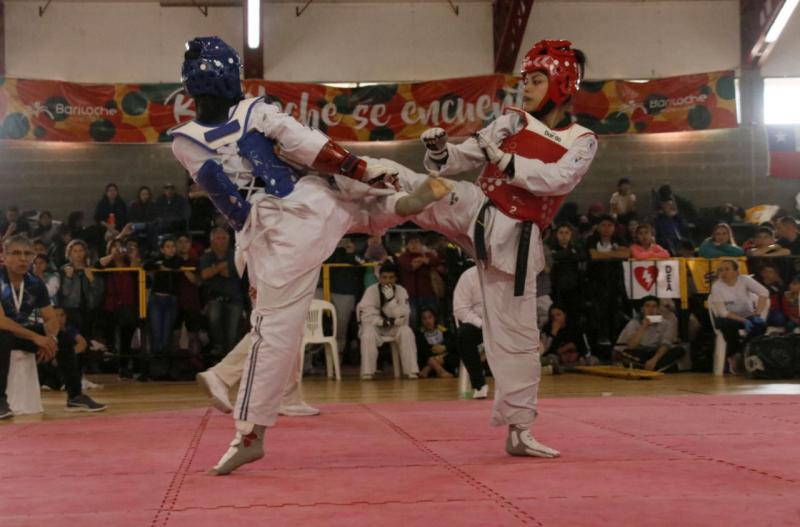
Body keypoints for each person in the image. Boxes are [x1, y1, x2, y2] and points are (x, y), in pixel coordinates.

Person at [169, 36, 442, 475]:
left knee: (271, 329)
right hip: (300, 214)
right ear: (227, 75)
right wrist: (360, 170)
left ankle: (249, 432)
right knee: (365, 196)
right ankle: (411, 202)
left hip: (285, 225)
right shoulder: (246, 114)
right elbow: (306, 149)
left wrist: (256, 231)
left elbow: (233, 193)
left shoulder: (200, 132)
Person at [419, 39, 596, 457]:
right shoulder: (511, 120)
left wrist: (503, 160)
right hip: (477, 207)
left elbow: (556, 180)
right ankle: (347, 183)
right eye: (526, 80)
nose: (527, 88)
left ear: (561, 83)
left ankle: (519, 430)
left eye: (537, 80)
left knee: (517, 338)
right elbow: (468, 155)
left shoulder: (582, 139)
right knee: (412, 190)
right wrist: (441, 151)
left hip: (516, 238)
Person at [0, 235, 105, 419]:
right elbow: (1, 321)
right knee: (4, 335)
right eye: (16, 253)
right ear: (4, 256)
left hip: (20, 333)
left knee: (65, 338)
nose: (23, 258)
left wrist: (51, 339)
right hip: (4, 332)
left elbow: (51, 318)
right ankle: (1, 401)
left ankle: (75, 395)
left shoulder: (35, 282)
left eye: (27, 253)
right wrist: (36, 338)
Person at [357, 263, 419, 380]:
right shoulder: (371, 291)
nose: (387, 281)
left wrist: (391, 301)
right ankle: (367, 372)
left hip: (395, 326)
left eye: (391, 277)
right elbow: (367, 315)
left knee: (407, 331)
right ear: (379, 278)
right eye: (384, 277)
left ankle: (411, 371)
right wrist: (383, 322)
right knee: (368, 335)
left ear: (396, 279)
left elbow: (404, 315)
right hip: (375, 326)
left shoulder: (401, 291)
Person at [709, 260, 769, 372]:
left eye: (727, 269)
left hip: (747, 315)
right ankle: (735, 354)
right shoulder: (717, 286)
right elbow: (722, 312)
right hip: (730, 318)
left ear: (736, 271)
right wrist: (743, 321)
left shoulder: (744, 280)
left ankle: (742, 351)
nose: (723, 272)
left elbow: (764, 292)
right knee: (724, 324)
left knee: (761, 326)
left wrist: (757, 313)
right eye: (721, 270)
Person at [96, 239, 140, 379]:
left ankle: (124, 367)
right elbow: (97, 265)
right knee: (111, 339)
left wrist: (133, 258)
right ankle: (109, 366)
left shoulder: (129, 264)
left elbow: (138, 275)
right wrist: (111, 256)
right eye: (114, 248)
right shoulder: (107, 266)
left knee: (126, 338)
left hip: (129, 305)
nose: (118, 251)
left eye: (120, 248)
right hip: (110, 305)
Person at [198, 227, 244, 359]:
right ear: (212, 241)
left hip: (235, 298)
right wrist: (222, 266)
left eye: (224, 238)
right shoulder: (206, 256)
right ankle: (218, 356)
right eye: (218, 238)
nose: (222, 241)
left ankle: (230, 362)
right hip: (215, 297)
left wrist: (215, 268)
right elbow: (205, 274)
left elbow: (230, 273)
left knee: (232, 333)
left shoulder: (235, 255)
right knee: (214, 321)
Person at [614, 296, 685, 372]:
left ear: (658, 310)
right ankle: (660, 368)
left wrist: (654, 360)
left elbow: (666, 344)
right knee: (626, 354)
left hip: (656, 353)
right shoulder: (634, 323)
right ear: (642, 310)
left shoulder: (666, 323)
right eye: (647, 306)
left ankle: (643, 367)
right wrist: (643, 327)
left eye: (654, 306)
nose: (651, 310)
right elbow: (631, 346)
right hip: (640, 352)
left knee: (679, 350)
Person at [451, 265, 489, 398]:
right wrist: (482, 324)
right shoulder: (469, 276)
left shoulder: (507, 274)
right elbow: (460, 309)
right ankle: (479, 384)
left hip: (503, 321)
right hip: (478, 322)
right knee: (464, 336)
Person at [397, 234, 441, 326]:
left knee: (432, 321)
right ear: (407, 246)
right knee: (413, 321)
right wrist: (424, 260)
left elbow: (436, 261)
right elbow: (411, 267)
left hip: (428, 294)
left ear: (421, 244)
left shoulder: (428, 254)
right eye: (411, 243)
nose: (414, 245)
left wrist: (421, 259)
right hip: (410, 296)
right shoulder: (403, 257)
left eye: (416, 242)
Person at [547, 224, 585, 321]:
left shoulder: (577, 247)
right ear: (556, 234)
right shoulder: (550, 247)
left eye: (567, 233)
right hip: (557, 289)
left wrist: (562, 254)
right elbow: (553, 256)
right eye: (561, 233)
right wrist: (570, 253)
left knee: (574, 315)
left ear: (571, 234)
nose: (564, 236)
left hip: (574, 287)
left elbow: (581, 256)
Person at [539, 304, 593, 373]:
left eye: (558, 315)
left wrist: (578, 355)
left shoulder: (575, 328)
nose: (555, 318)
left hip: (576, 359)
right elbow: (545, 351)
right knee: (551, 358)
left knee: (592, 360)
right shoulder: (546, 330)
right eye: (552, 316)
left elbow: (585, 349)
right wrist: (553, 333)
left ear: (564, 315)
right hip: (557, 359)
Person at [415, 306, 457, 379]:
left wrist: (444, 348)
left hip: (444, 360)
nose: (428, 321)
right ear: (421, 321)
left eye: (430, 317)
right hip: (427, 359)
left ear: (435, 318)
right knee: (426, 357)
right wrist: (436, 356)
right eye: (424, 318)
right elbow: (423, 351)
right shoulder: (419, 334)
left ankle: (428, 369)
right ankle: (439, 370)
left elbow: (454, 342)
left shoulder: (444, 331)